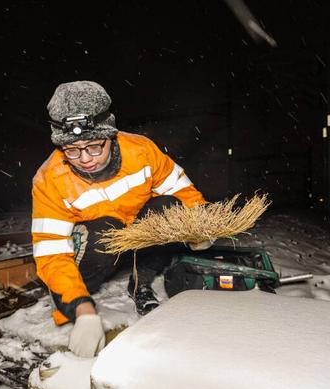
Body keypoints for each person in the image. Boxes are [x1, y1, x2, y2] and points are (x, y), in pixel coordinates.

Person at [31, 81, 210, 358]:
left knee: (170, 208)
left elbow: (181, 189)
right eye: (72, 150)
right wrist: (82, 309)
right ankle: (76, 295)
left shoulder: (141, 151)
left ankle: (141, 281)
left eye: (93, 146)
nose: (84, 159)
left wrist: (200, 225)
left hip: (137, 234)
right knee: (104, 231)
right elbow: (51, 251)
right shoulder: (49, 180)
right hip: (96, 245)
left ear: (110, 135)